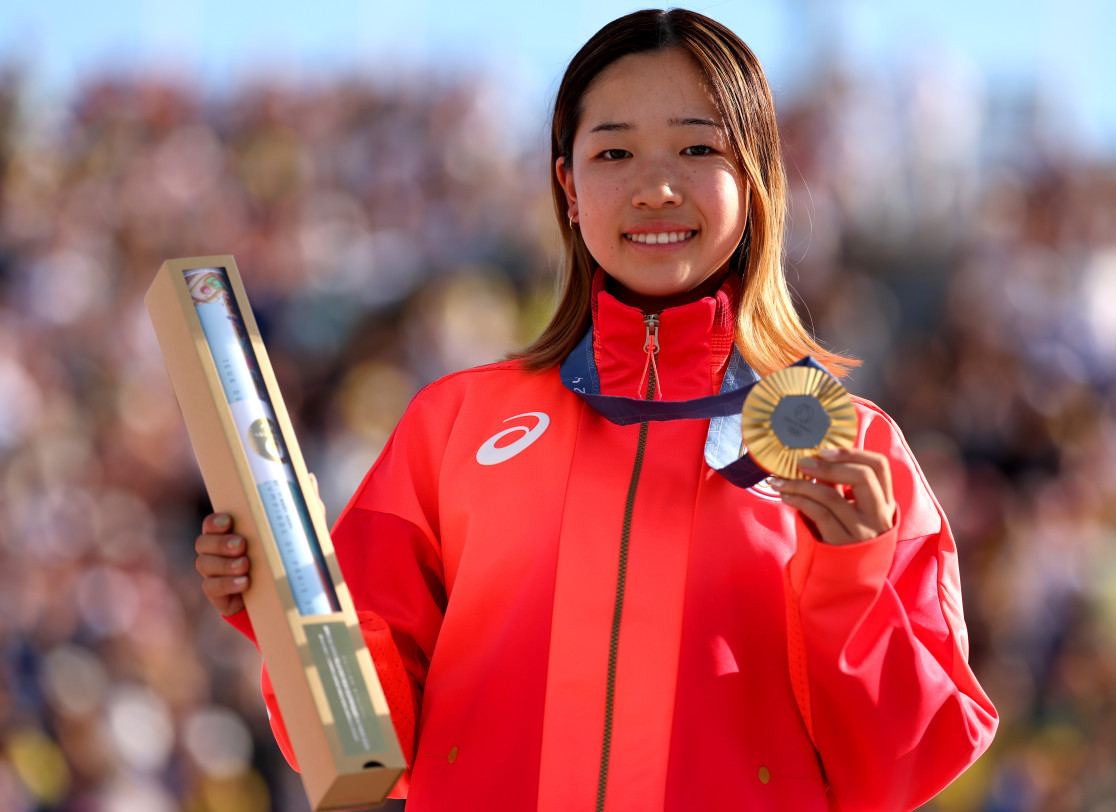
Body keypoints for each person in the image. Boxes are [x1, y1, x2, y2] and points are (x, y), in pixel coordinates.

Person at [194, 9, 997, 810]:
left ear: (754, 181)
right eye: (614, 152)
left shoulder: (857, 448)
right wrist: (279, 598)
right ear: (569, 187)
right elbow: (365, 736)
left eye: (697, 148)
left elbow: (906, 763)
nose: (655, 187)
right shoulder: (454, 425)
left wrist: (853, 579)